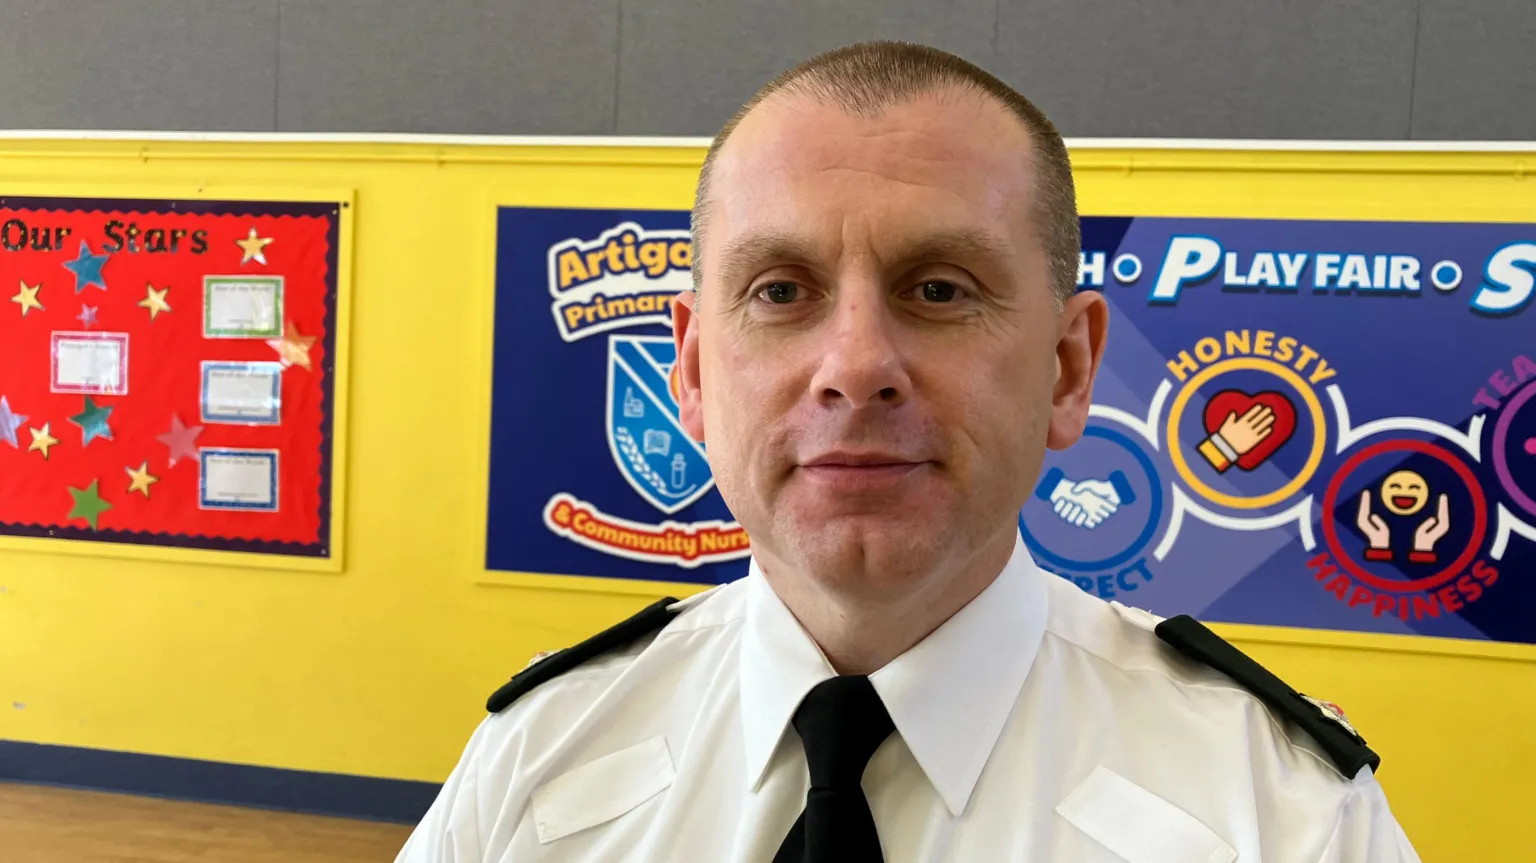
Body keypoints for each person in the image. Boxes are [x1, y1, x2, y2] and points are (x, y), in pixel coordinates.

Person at [397, 41, 1420, 862]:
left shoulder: (1277, 814)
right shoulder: (539, 757)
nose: (855, 366)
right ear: (696, 373)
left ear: (1068, 369)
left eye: (939, 289)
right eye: (779, 291)